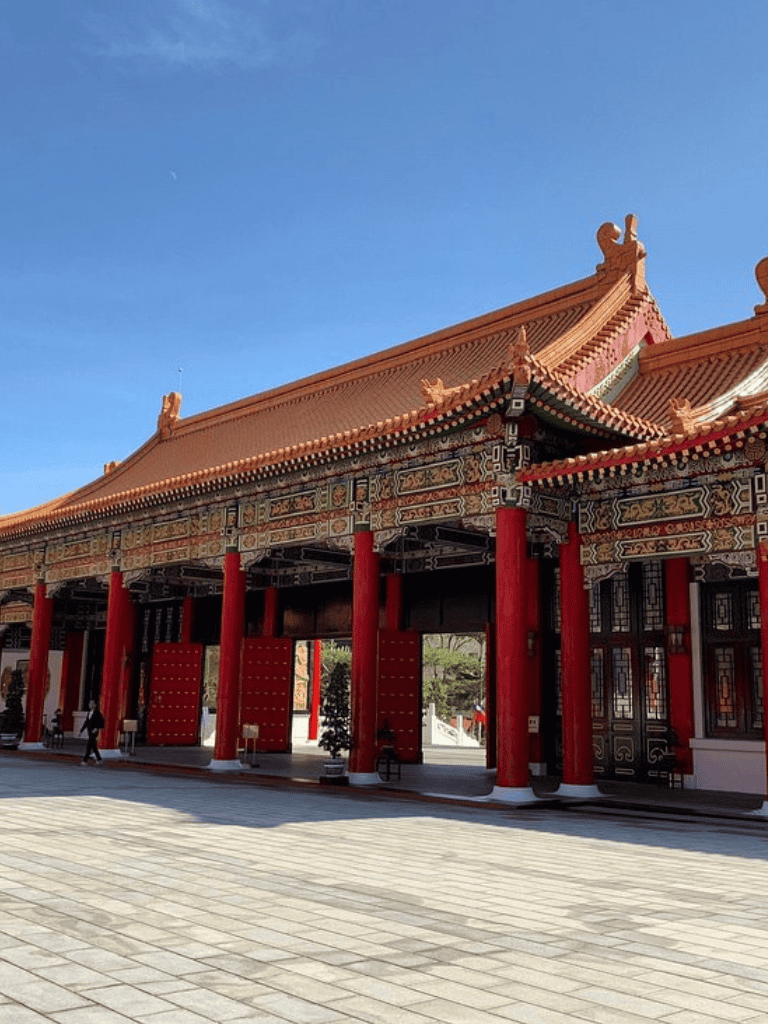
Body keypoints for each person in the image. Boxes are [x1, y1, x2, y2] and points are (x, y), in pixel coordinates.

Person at [79, 700, 104, 764]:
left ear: (95, 705)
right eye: (89, 703)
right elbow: (86, 722)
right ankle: (99, 759)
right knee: (93, 747)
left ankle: (85, 760)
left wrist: (97, 728)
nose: (90, 705)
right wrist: (81, 730)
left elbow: (102, 722)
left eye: (91, 703)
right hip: (89, 731)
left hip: (94, 732)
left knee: (89, 745)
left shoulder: (97, 713)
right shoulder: (89, 712)